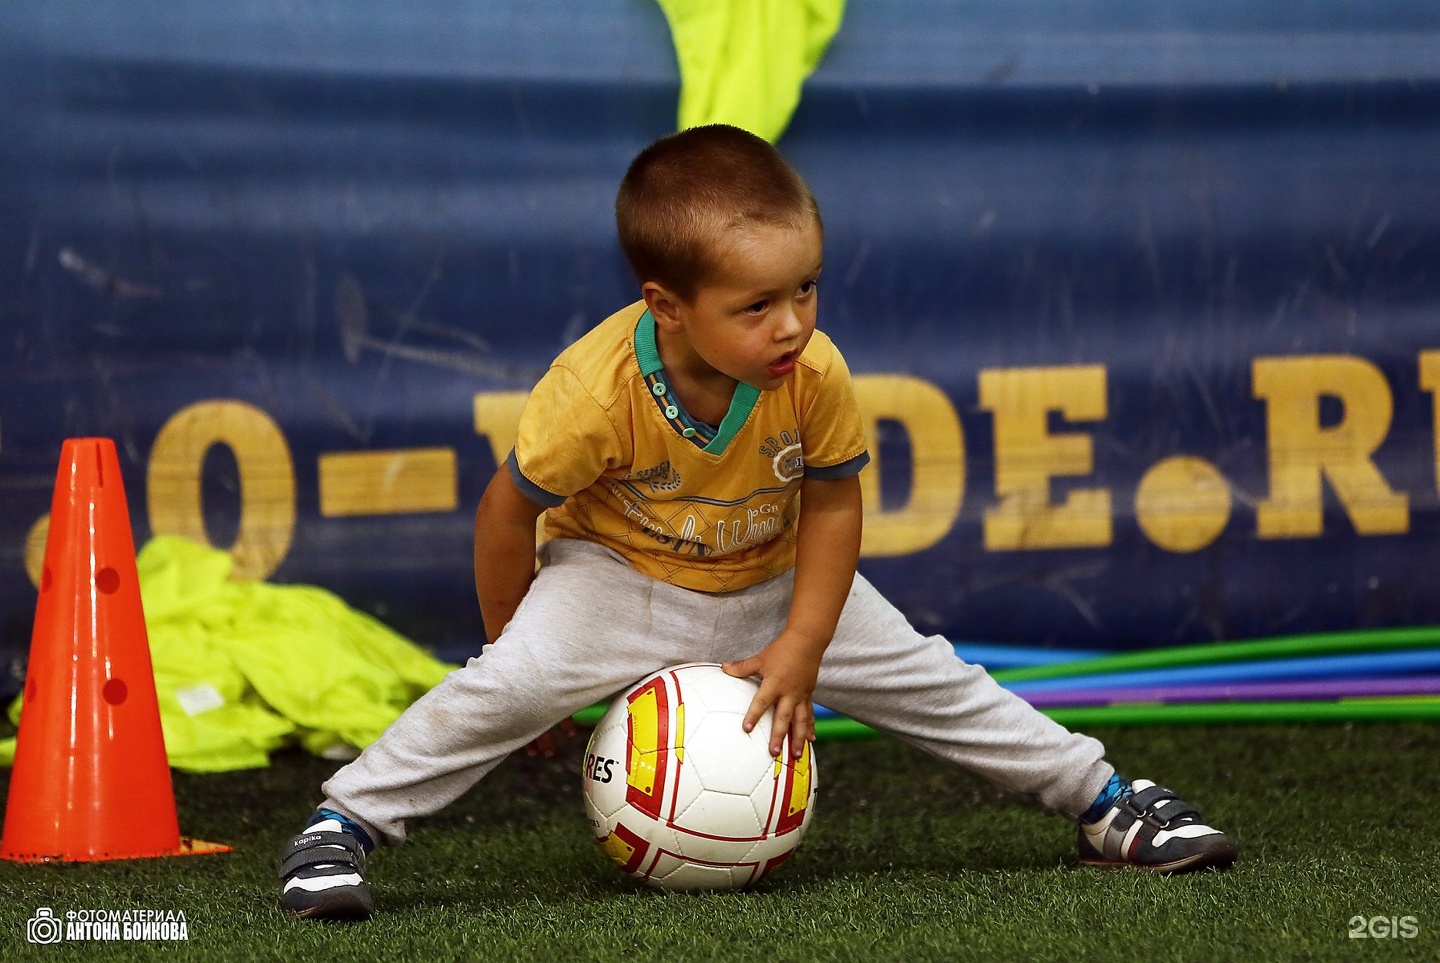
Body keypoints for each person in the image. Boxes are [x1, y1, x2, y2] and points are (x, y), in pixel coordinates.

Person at [277, 124, 1238, 921]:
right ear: (669, 307)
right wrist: (512, 642)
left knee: (943, 683)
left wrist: (805, 641)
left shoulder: (813, 372)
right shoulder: (592, 391)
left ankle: (1106, 804)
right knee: (500, 689)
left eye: (807, 288)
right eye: (758, 305)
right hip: (619, 580)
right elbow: (506, 509)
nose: (791, 323)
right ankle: (341, 827)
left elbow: (831, 499)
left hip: (779, 577)